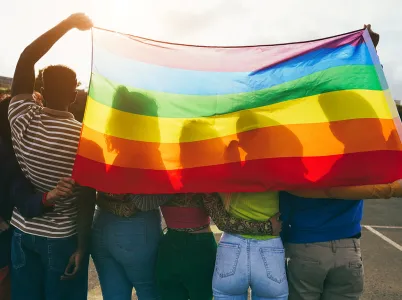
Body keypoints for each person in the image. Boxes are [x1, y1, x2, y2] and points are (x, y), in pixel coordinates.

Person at [280, 25, 392, 300]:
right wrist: (366, 59)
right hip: (348, 249)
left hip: (303, 247)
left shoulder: (298, 155)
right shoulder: (356, 157)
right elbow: (372, 110)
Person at [8, 13, 94, 300]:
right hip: (62, 239)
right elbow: (85, 197)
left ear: (41, 91)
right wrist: (83, 245)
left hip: (22, 230)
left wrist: (68, 23)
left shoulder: (21, 116)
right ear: (74, 95)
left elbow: (27, 57)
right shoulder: (85, 138)